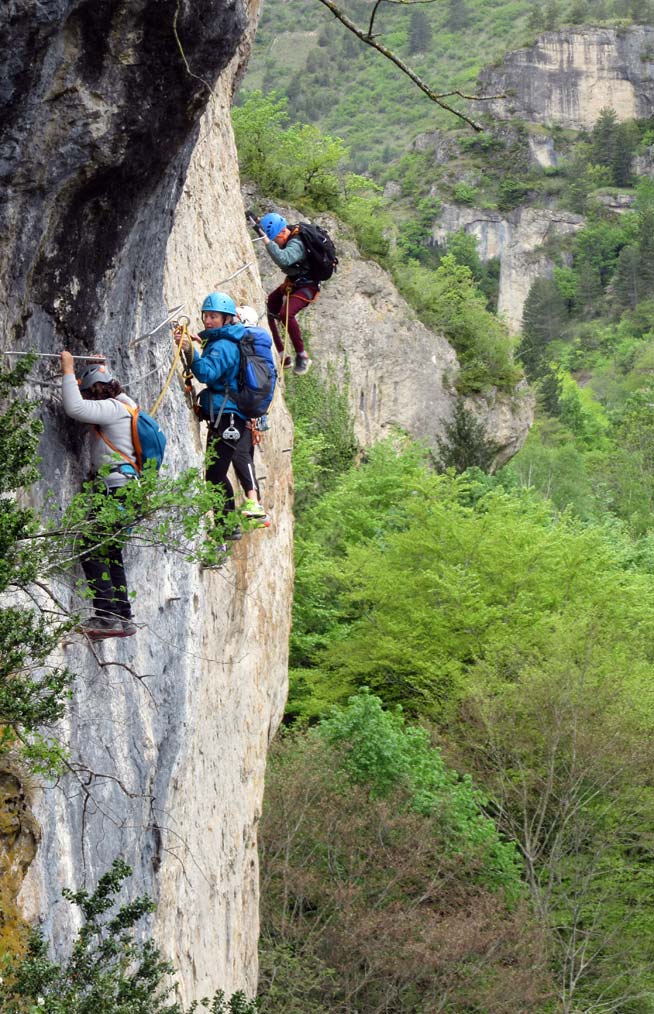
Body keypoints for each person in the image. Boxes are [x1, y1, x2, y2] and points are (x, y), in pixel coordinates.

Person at [176, 293, 269, 543]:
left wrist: (189, 350)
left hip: (228, 417)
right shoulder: (225, 341)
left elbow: (207, 372)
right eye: (206, 315)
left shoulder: (226, 345)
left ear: (227, 319)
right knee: (215, 475)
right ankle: (226, 526)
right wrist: (195, 348)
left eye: (213, 316)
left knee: (215, 475)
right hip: (225, 416)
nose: (208, 320)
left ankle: (227, 527)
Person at [60, 351, 137, 640]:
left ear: (95, 391)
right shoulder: (126, 404)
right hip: (126, 490)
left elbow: (75, 408)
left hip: (117, 491)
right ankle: (123, 616)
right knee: (111, 549)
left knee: (90, 543)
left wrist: (68, 369)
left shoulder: (112, 408)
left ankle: (106, 615)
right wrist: (97, 367)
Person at [258, 212, 315, 376]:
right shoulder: (286, 235)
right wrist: (258, 225)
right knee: (270, 307)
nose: (276, 243)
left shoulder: (297, 244)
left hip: (308, 286)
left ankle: (303, 356)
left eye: (275, 239)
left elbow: (284, 258)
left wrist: (266, 240)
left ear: (282, 232)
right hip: (294, 282)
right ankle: (283, 355)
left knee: (286, 314)